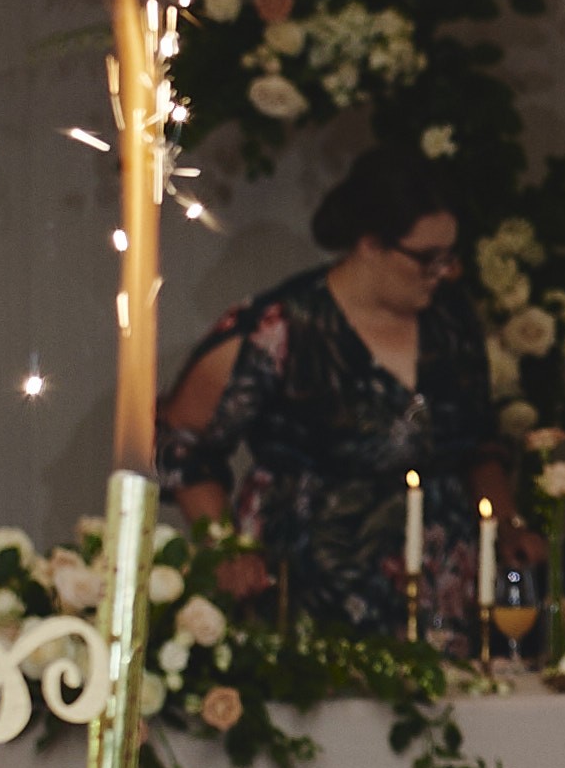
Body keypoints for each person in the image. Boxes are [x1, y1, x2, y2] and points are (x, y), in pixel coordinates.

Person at [161, 147, 493, 641]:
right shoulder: (281, 328)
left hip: (440, 602)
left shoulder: (452, 322)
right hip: (310, 599)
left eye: (449, 257)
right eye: (427, 258)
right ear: (371, 244)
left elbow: (481, 439)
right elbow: (182, 440)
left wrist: (505, 523)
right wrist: (226, 549)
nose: (442, 272)